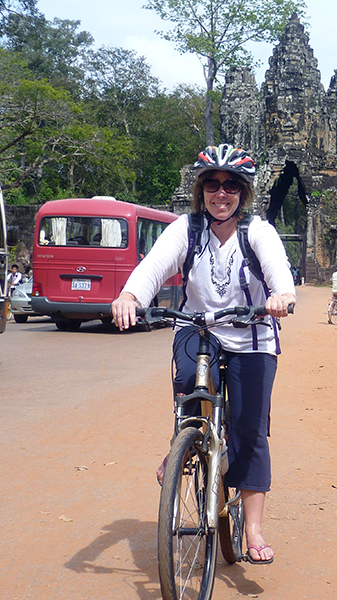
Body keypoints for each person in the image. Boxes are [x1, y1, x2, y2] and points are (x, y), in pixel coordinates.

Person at [111, 144, 295, 565]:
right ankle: (184, 441)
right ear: (201, 190)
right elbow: (154, 264)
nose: (221, 193)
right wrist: (130, 294)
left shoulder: (258, 232)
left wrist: (282, 295)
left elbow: (278, 270)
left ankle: (253, 528)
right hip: (199, 328)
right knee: (190, 388)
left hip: (252, 334)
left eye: (231, 185)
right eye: (212, 184)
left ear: (243, 192)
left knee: (250, 431)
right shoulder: (186, 229)